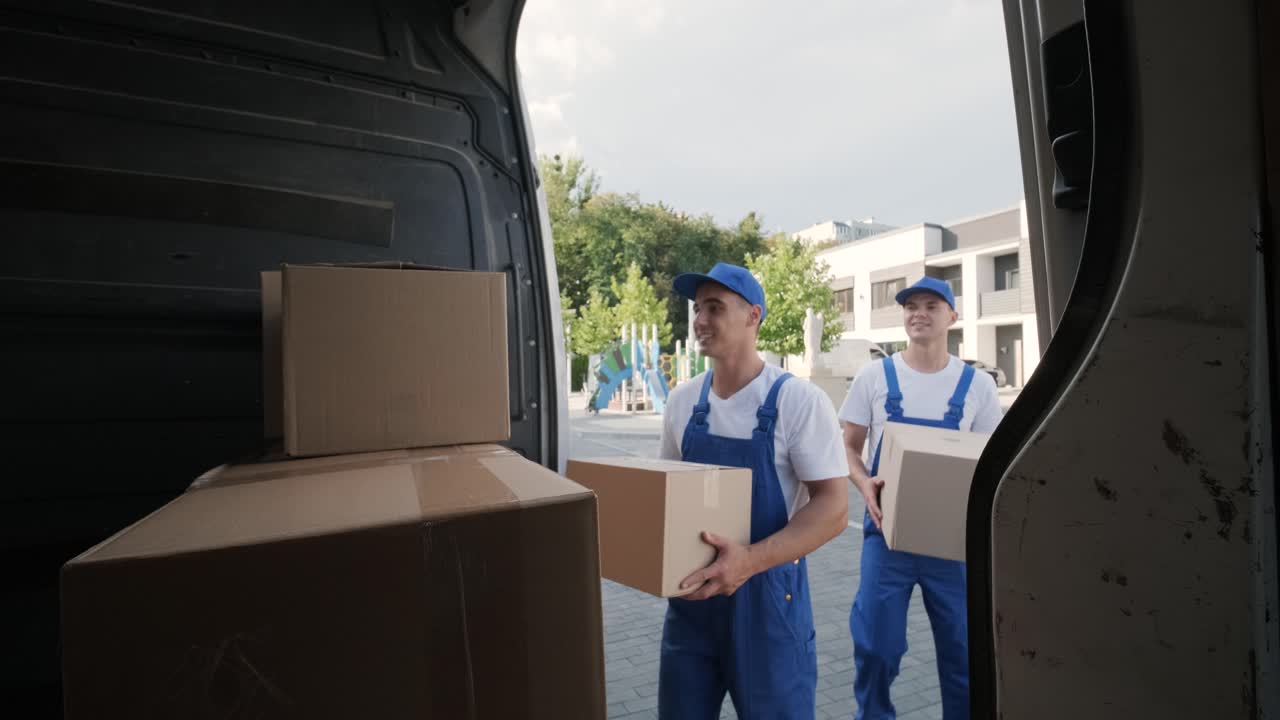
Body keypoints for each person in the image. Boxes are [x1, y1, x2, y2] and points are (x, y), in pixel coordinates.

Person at [657, 262, 850, 719]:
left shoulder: (796, 402)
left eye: (715, 308)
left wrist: (749, 561)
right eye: (697, 309)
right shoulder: (682, 401)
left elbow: (835, 507)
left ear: (753, 317)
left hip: (768, 606)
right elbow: (664, 491)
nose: (700, 320)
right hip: (693, 602)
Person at [839, 276, 1002, 719]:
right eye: (911, 306)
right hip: (886, 535)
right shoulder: (875, 377)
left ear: (952, 315)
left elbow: (991, 463)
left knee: (965, 655)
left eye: (932, 305)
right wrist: (863, 482)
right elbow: (848, 448)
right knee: (875, 646)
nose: (919, 313)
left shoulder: (978, 386)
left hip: (953, 543)